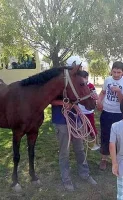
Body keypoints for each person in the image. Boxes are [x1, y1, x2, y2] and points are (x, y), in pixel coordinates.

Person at [51, 56, 97, 192]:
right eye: (77, 68)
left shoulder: (76, 81)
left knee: (80, 148)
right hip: (61, 120)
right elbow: (50, 99)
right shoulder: (57, 82)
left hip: (76, 118)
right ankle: (66, 179)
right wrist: (62, 103)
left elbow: (80, 95)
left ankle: (85, 174)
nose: (79, 70)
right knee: (64, 152)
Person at [97, 61, 123, 170]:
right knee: (105, 135)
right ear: (111, 70)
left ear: (122, 72)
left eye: (118, 72)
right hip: (106, 112)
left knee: (118, 138)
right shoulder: (107, 80)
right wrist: (99, 101)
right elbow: (103, 92)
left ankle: (117, 161)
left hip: (118, 113)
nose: (116, 74)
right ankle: (104, 159)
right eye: (114, 72)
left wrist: (119, 92)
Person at [78, 70, 100, 151]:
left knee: (91, 127)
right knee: (81, 127)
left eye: (83, 78)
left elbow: (96, 96)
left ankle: (95, 143)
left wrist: (94, 96)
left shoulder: (90, 85)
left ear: (87, 78)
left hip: (89, 111)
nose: (82, 80)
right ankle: (83, 143)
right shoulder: (78, 86)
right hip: (80, 110)